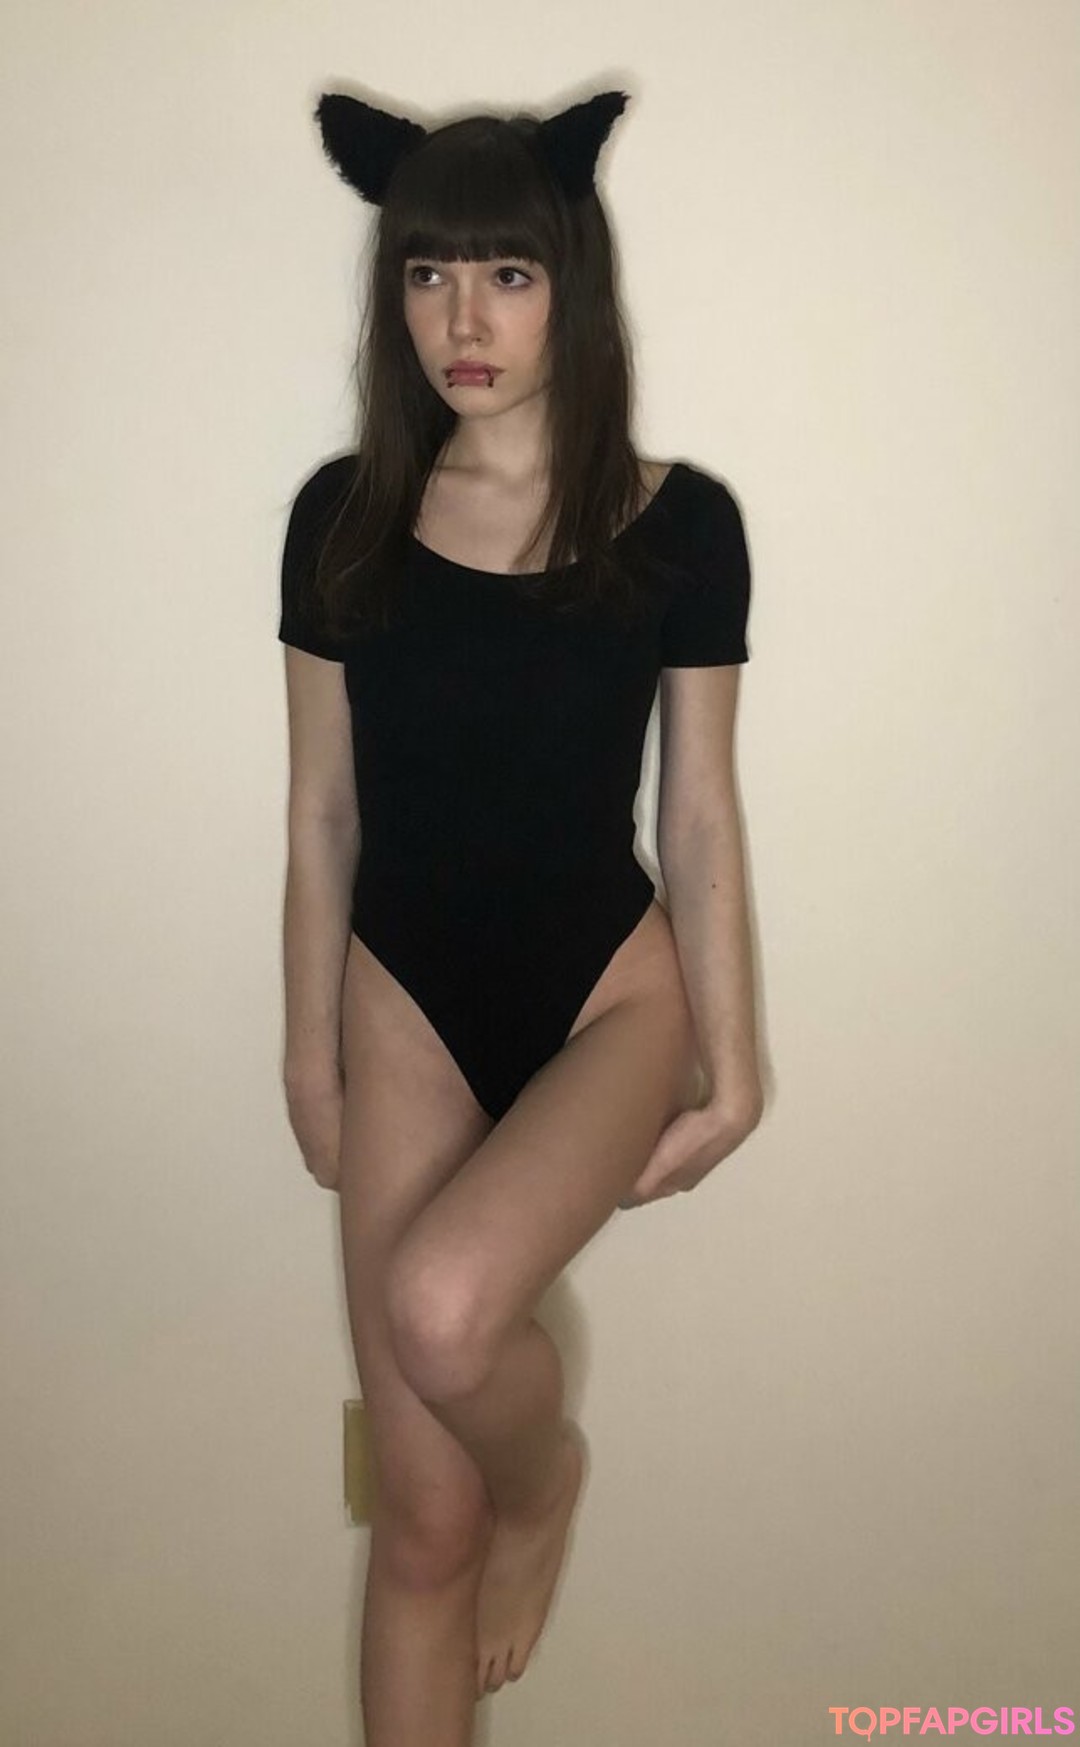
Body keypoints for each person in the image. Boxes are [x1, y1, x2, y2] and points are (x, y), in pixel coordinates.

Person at [278, 86, 764, 1747]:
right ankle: (495, 1505)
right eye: (426, 276)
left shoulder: (681, 525)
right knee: (421, 1522)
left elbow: (697, 813)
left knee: (443, 1313)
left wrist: (735, 1070)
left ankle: (543, 1483)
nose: (463, 321)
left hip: (605, 997)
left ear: (573, 285)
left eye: (507, 274)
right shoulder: (343, 516)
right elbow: (322, 810)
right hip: (400, 997)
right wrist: (311, 1062)